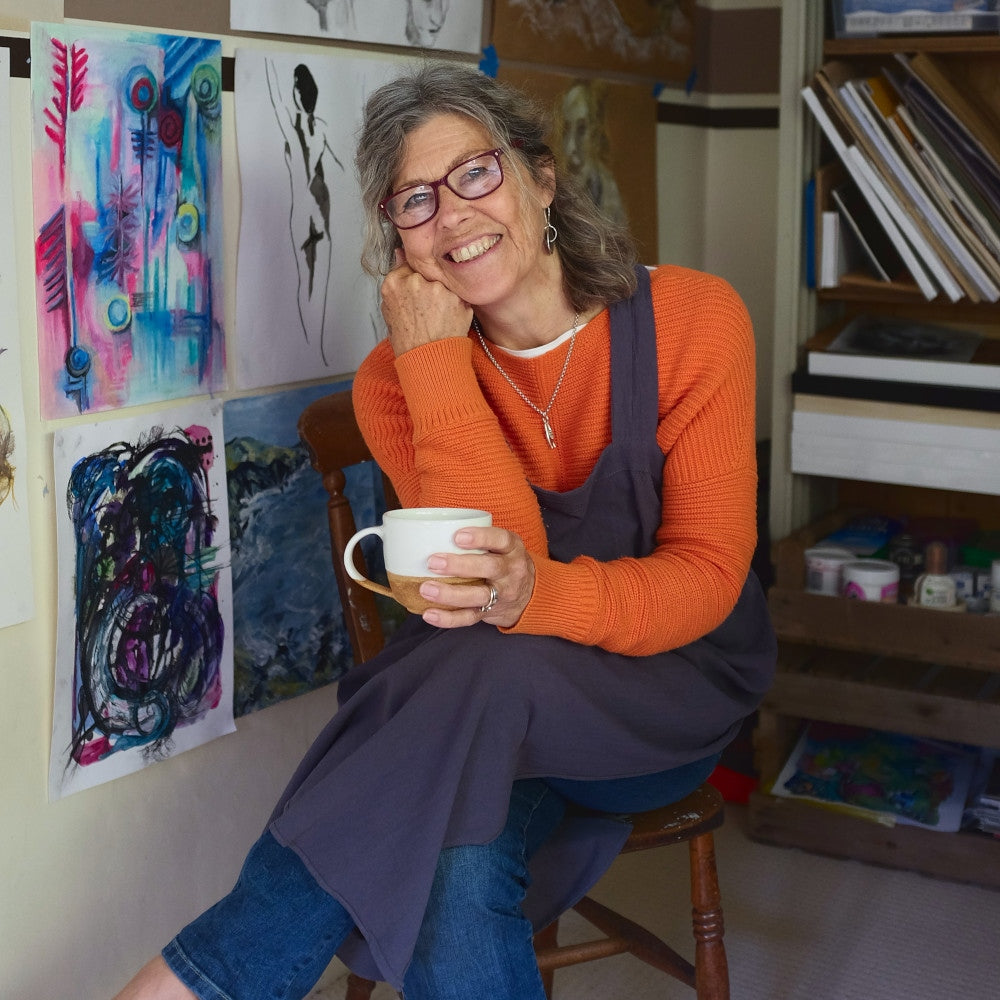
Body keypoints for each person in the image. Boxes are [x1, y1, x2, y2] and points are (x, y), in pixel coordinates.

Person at [113, 62, 775, 1000]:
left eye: (475, 172)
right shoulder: (397, 380)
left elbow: (705, 577)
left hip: (669, 690)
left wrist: (535, 593)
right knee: (450, 863)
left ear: (540, 177)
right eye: (415, 201)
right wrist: (432, 360)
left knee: (480, 666)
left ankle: (202, 980)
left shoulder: (692, 320)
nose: (453, 215)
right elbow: (479, 574)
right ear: (398, 241)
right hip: (486, 713)